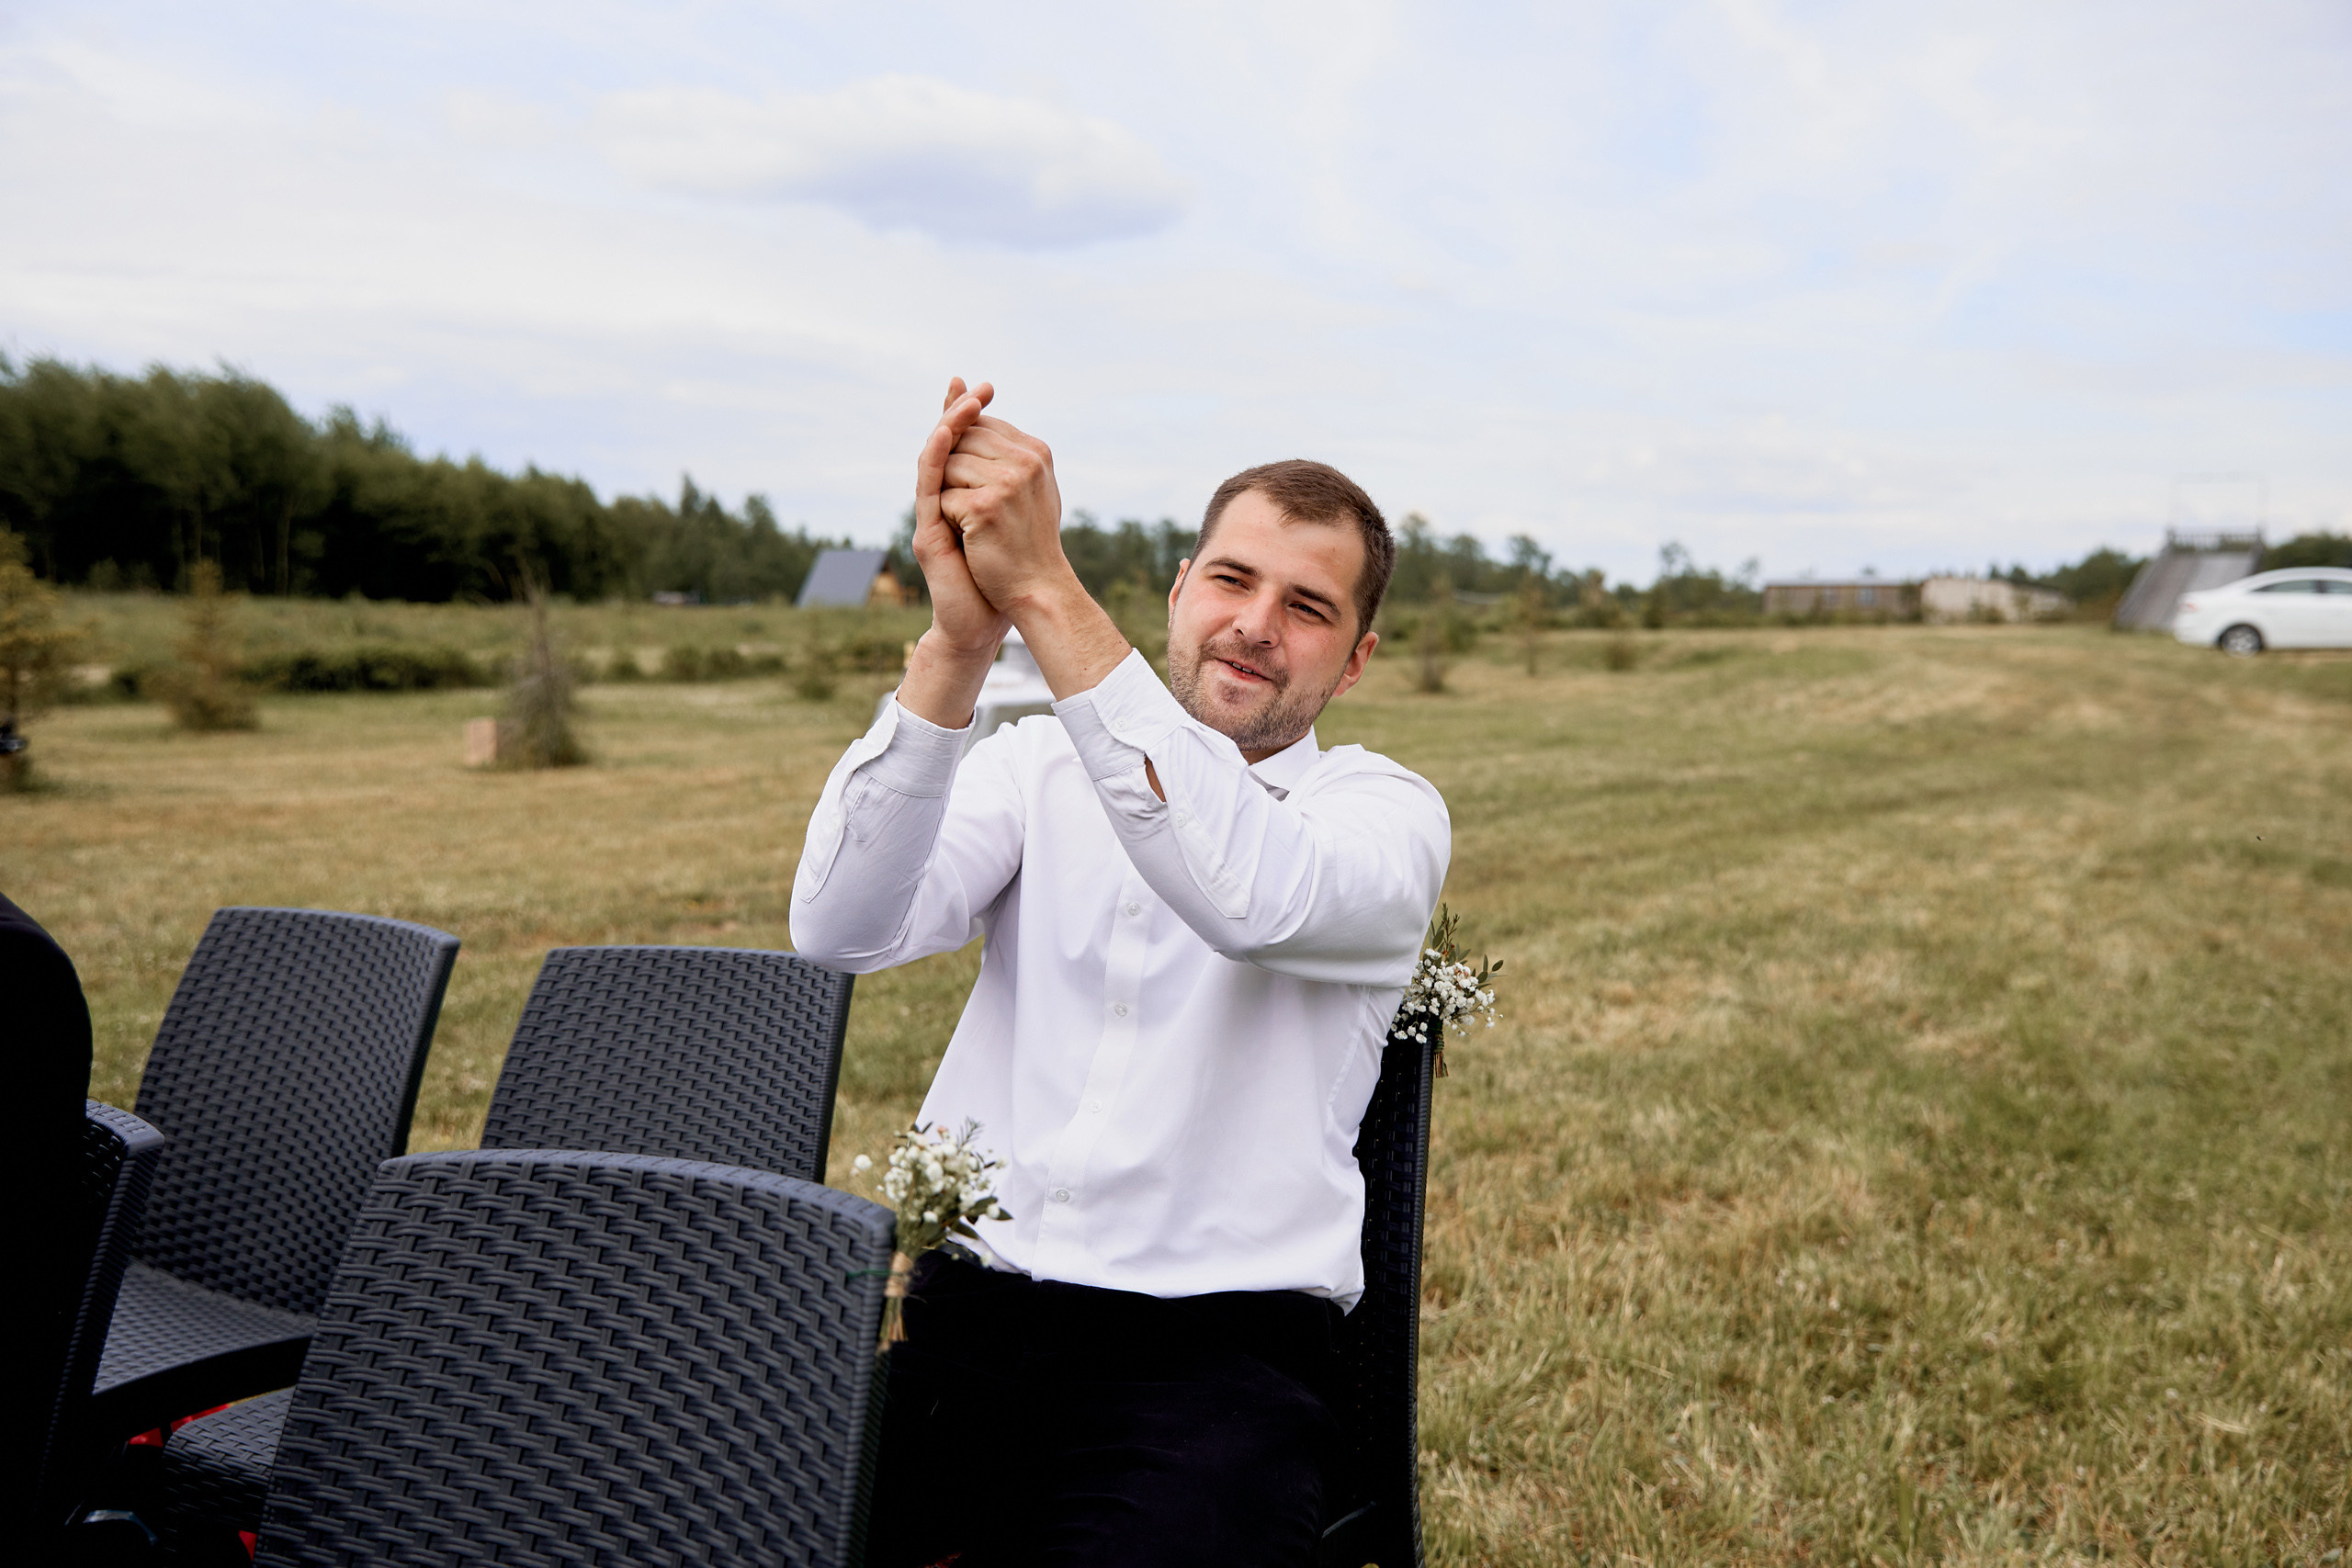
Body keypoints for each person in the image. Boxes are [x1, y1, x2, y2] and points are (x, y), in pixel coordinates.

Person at [790, 380, 1450, 1566]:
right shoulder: (1035, 764)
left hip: (1211, 1372)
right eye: (1234, 581)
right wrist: (956, 643)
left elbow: (1241, 894)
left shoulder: (1383, 819)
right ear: (1179, 591)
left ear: (1355, 660)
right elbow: (842, 928)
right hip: (964, 1328)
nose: (1256, 624)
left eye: (1307, 607)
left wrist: (1044, 585)